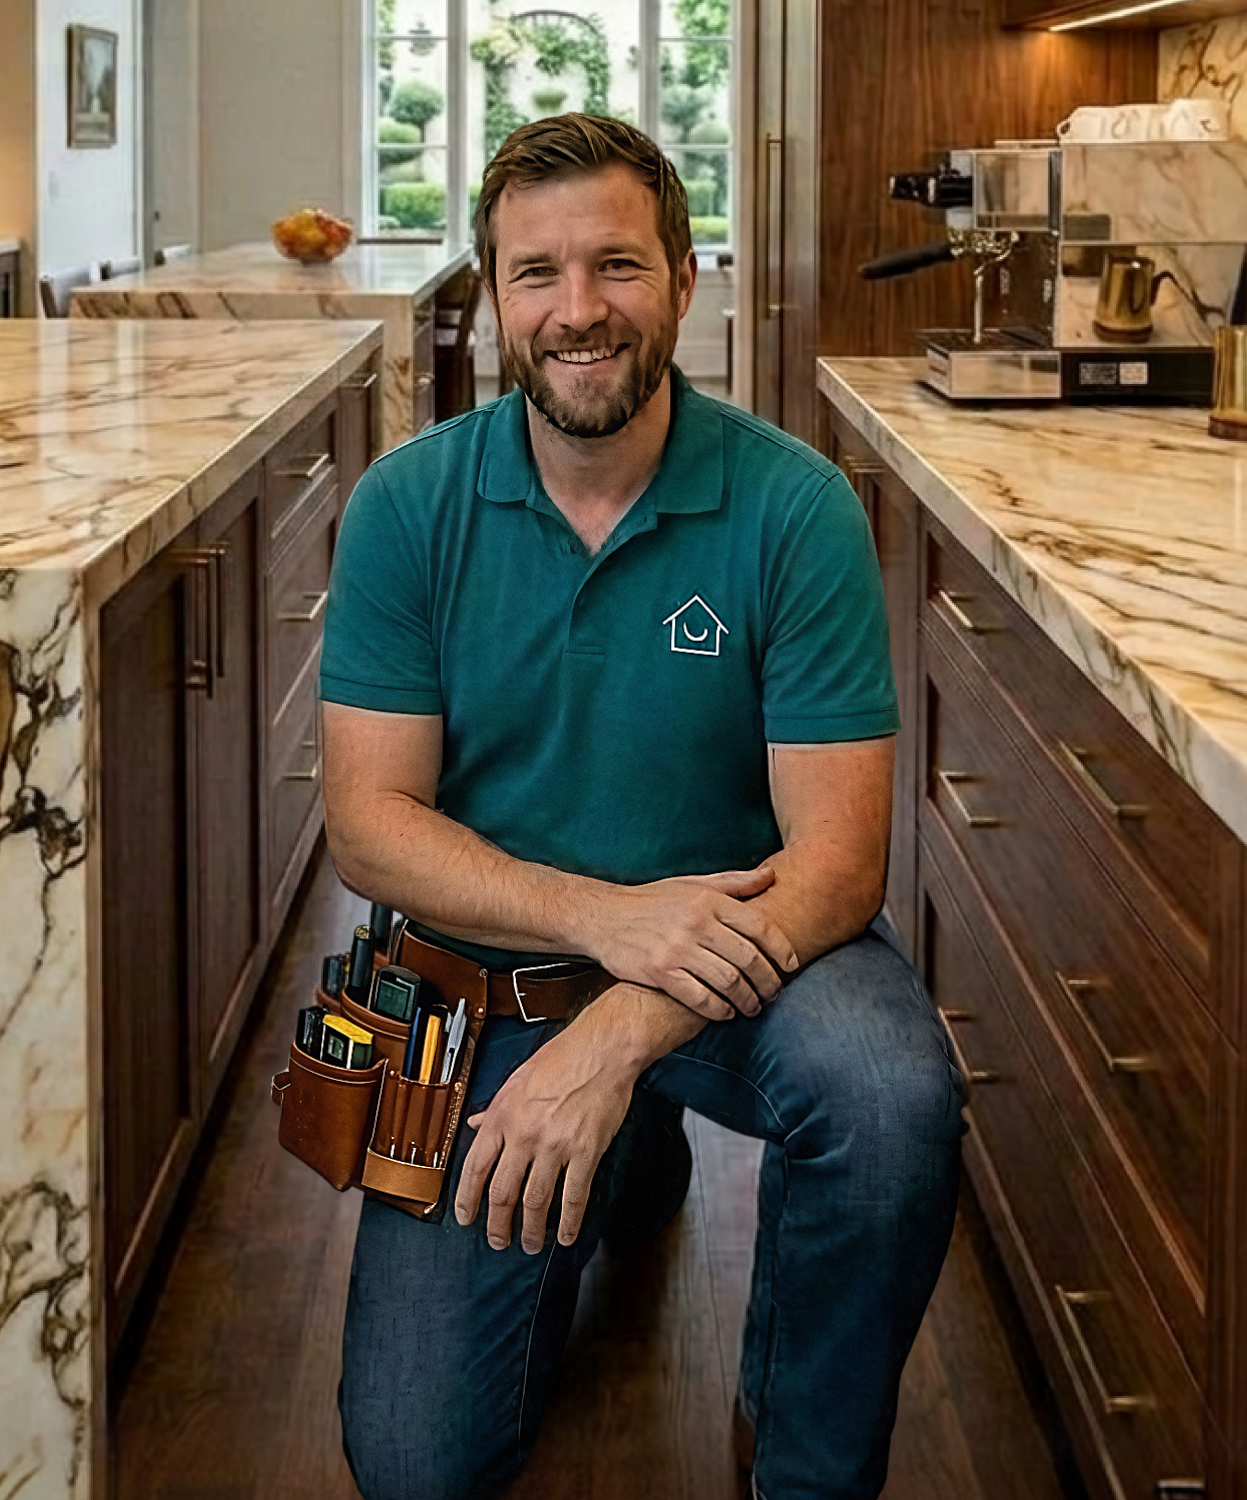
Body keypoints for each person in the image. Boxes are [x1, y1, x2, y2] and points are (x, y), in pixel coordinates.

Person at [318, 112, 965, 1500]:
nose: (579, 312)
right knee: (414, 1463)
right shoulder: (404, 508)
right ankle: (626, 1161)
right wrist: (605, 925)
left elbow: (842, 861)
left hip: (746, 946)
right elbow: (372, 826)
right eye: (537, 275)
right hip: (488, 974)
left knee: (885, 1095)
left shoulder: (793, 509)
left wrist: (617, 1038)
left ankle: (803, 1469)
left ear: (683, 278)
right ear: (495, 298)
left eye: (617, 266)